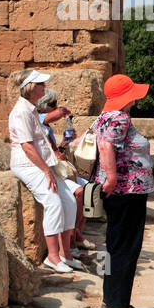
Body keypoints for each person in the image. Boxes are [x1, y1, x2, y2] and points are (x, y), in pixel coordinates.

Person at [92, 74, 154, 308]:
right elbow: (107, 146)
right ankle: (119, 306)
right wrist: (112, 178)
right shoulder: (119, 117)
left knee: (115, 245)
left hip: (121, 192)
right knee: (127, 247)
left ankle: (110, 299)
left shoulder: (105, 116)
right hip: (127, 190)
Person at [8, 70, 83, 274]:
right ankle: (52, 256)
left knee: (67, 200)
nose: (44, 87)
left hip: (42, 163)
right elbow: (27, 146)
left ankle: (66, 254)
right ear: (32, 88)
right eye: (41, 84)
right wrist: (46, 171)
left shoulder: (30, 109)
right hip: (28, 165)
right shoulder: (21, 112)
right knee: (53, 201)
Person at [36, 88, 92, 258]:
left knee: (90, 190)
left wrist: (64, 144)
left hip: (59, 167)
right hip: (49, 171)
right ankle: (70, 242)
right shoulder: (37, 119)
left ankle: (77, 233)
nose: (55, 107)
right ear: (43, 106)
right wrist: (63, 111)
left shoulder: (47, 127)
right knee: (79, 193)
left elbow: (55, 151)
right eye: (52, 104)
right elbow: (50, 117)